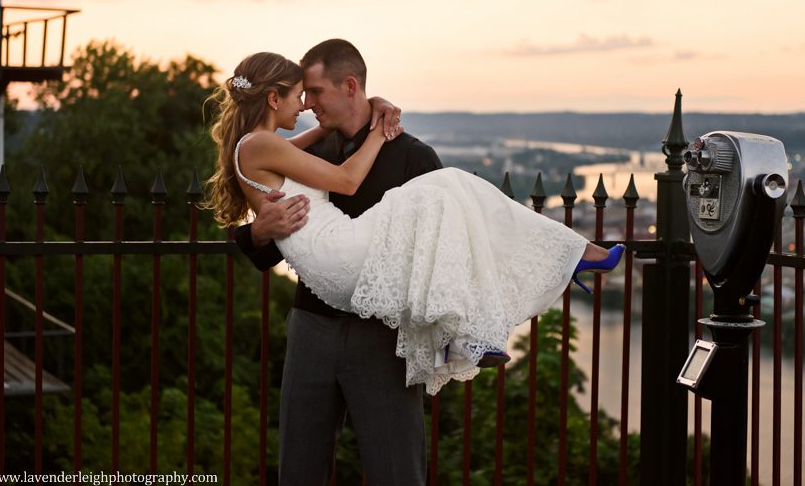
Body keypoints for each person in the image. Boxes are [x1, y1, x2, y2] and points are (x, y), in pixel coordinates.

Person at [210, 44, 625, 485]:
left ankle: (480, 321)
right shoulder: (302, 149)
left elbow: (448, 250)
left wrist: (378, 113)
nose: (308, 105)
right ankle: (563, 261)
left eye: (314, 93)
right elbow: (287, 234)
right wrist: (256, 232)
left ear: (350, 87)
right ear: (275, 98)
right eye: (301, 94)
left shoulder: (411, 156)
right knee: (300, 465)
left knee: (396, 467)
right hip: (315, 323)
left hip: (381, 337)